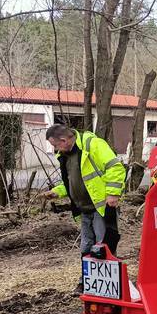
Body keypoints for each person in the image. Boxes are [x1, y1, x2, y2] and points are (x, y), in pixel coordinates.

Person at [41, 124, 126, 294]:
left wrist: (113, 194)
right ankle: (87, 283)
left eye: (55, 145)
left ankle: (108, 286)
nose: (55, 149)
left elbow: (115, 167)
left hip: (101, 207)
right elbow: (75, 182)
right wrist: (57, 192)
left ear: (64, 140)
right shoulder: (66, 155)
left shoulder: (93, 145)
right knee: (86, 248)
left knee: (104, 247)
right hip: (84, 210)